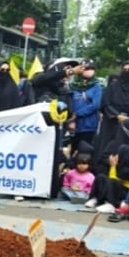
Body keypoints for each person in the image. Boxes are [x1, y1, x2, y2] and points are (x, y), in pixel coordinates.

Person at [31, 57, 85, 197]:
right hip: (38, 129)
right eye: (65, 68)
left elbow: (70, 111)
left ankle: (50, 189)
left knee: (54, 160)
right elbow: (41, 79)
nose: (68, 73)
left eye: (70, 69)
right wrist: (69, 71)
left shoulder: (64, 89)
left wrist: (67, 111)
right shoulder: (41, 79)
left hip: (57, 131)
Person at [94, 61, 129, 163]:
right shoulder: (114, 86)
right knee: (108, 147)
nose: (127, 72)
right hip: (112, 122)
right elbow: (105, 103)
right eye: (125, 70)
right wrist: (117, 115)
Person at [69, 59, 102, 154]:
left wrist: (78, 114)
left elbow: (96, 105)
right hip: (74, 124)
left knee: (85, 151)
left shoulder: (96, 86)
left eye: (92, 68)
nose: (89, 71)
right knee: (73, 150)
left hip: (89, 125)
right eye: (86, 68)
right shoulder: (72, 86)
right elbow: (70, 103)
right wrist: (72, 120)